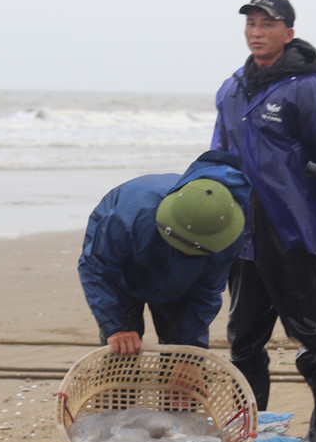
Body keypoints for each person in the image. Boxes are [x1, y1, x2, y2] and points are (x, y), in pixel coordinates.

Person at [211, 0, 316, 442]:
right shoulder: (232, 89)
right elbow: (218, 156)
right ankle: (248, 428)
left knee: (313, 336)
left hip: (296, 232)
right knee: (243, 340)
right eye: (251, 24)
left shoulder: (307, 89)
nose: (256, 32)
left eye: (267, 24)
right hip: (244, 234)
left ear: (288, 32)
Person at [78, 150, 252, 356]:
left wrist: (187, 352)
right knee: (123, 347)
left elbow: (205, 294)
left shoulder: (226, 236)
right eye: (184, 247)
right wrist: (114, 326)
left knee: (185, 354)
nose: (189, 254)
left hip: (181, 282)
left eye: (197, 250)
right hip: (123, 267)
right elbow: (97, 269)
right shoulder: (128, 220)